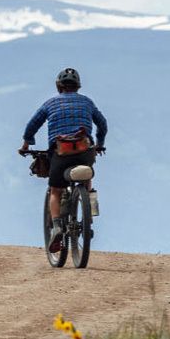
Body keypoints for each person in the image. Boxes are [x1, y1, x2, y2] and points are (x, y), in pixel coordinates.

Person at [21, 67, 107, 241]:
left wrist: (26, 144)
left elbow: (32, 125)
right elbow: (102, 124)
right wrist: (99, 144)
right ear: (78, 86)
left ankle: (57, 226)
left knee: (55, 190)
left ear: (59, 86)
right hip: (85, 152)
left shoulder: (50, 104)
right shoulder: (87, 102)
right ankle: (88, 218)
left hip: (60, 153)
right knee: (87, 176)